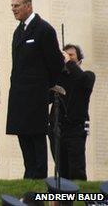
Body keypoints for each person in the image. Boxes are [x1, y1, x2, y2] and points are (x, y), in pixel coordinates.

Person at [6, 0, 64, 179]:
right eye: (12, 6)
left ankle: (39, 175)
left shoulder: (44, 29)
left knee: (36, 135)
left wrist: (45, 88)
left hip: (36, 95)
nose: (13, 9)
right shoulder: (18, 31)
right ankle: (28, 173)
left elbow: (56, 63)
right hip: (19, 94)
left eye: (17, 5)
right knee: (23, 134)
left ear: (28, 6)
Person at [48, 44, 95, 181]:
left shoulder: (87, 76)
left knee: (76, 168)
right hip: (57, 128)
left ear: (79, 61)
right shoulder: (59, 79)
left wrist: (69, 63)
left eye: (71, 55)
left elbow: (82, 81)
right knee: (61, 169)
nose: (67, 57)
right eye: (65, 54)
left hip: (76, 129)